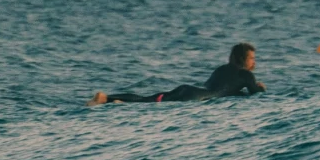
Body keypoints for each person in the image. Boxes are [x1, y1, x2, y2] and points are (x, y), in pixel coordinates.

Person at [92, 41, 266, 105]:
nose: (254, 62)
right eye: (251, 58)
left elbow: (226, 90)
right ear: (243, 60)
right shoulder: (246, 75)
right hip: (194, 99)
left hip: (187, 89)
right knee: (148, 104)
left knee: (147, 99)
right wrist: (260, 88)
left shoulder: (221, 69)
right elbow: (255, 95)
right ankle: (111, 101)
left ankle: (106, 98)